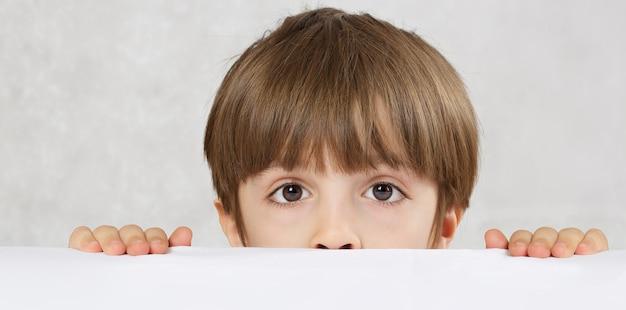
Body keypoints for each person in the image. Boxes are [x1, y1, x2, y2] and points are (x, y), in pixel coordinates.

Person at [68, 7, 608, 258]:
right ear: (233, 223)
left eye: (382, 190)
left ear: (445, 223)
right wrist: (112, 287)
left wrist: (561, 286)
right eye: (291, 191)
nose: (334, 235)